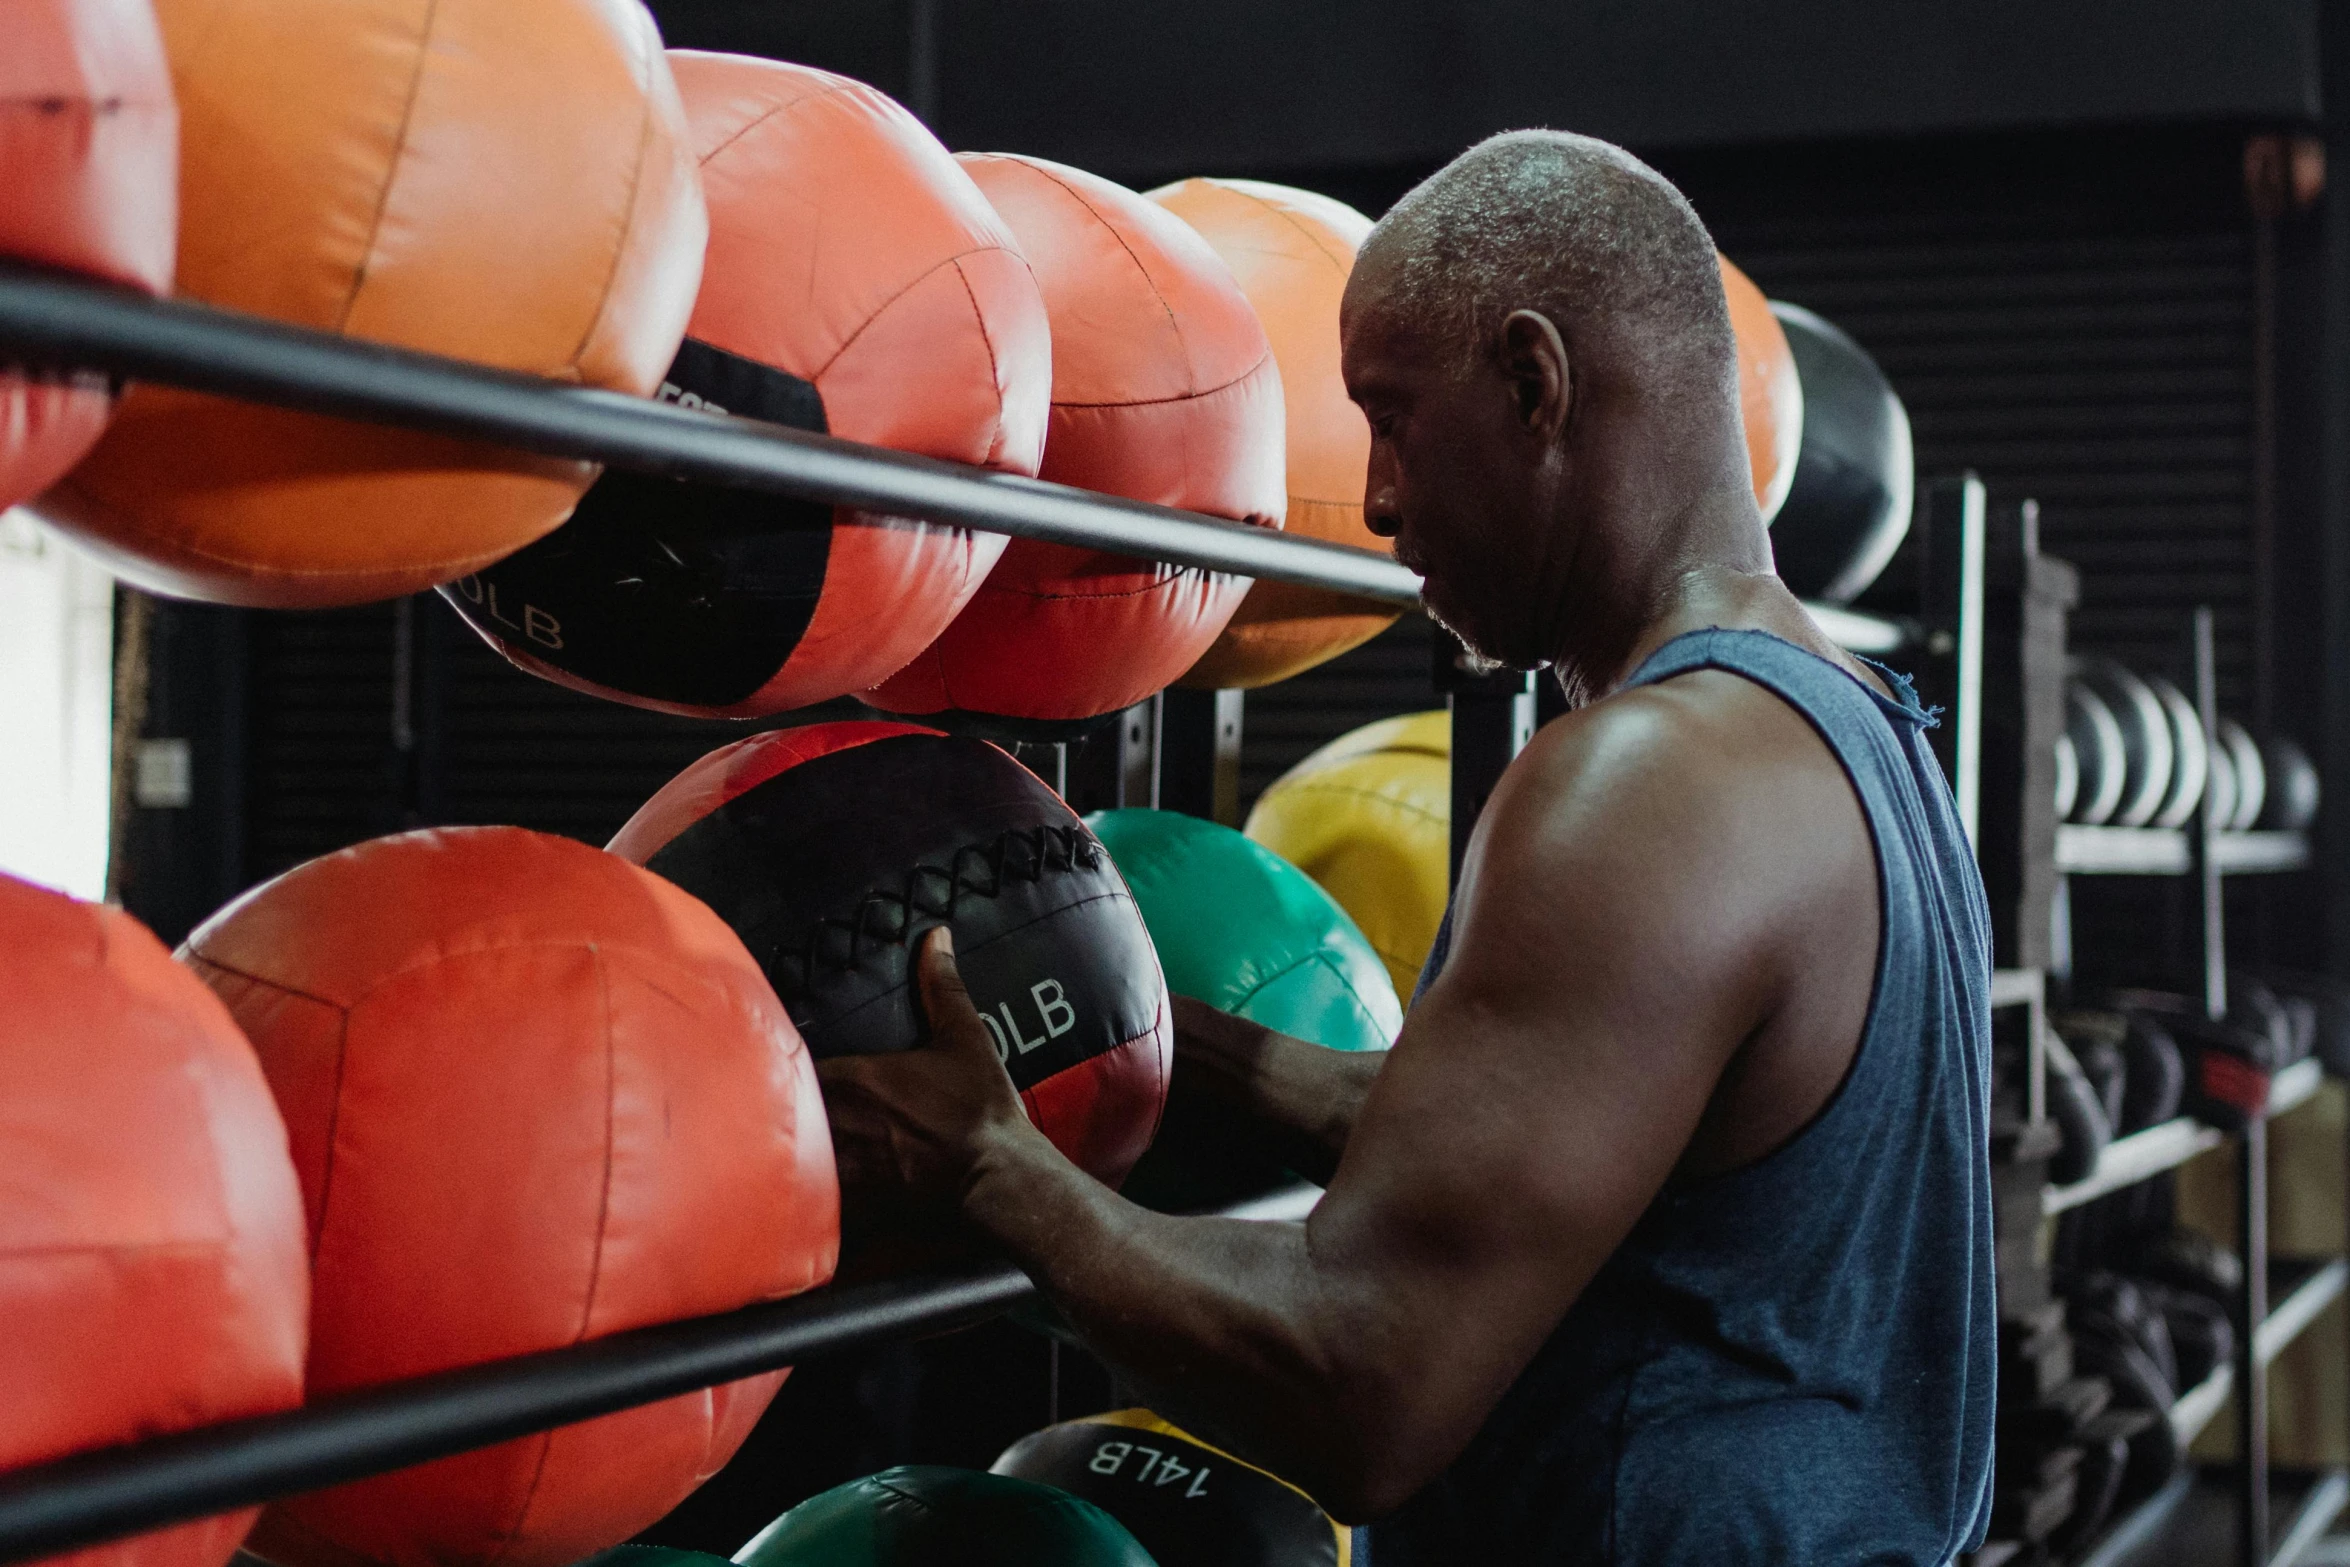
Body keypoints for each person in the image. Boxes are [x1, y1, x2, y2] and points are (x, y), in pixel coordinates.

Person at [817, 129, 1996, 1565]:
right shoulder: (1859, 724)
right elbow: (1579, 1126)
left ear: (1530, 383)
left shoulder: (1642, 784)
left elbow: (1360, 1386)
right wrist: (1166, 1043)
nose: (1370, 499)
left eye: (1390, 419)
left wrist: (990, 1167)